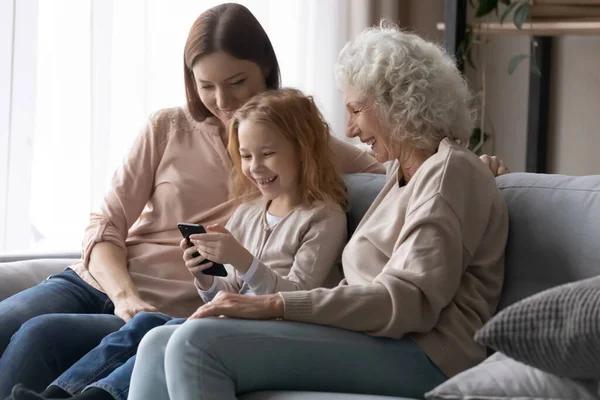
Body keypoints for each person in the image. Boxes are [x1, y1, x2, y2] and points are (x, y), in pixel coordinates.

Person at [0, 2, 508, 397]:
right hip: (106, 282)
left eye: (356, 110)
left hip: (417, 346)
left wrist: (269, 303)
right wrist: (138, 292)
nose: (350, 127)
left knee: (163, 339)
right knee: (134, 336)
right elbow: (107, 221)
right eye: (206, 86)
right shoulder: (404, 172)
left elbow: (407, 300)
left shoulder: (423, 171)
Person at [8, 88, 349, 400]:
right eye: (246, 156)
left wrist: (243, 260)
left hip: (270, 332)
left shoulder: (324, 218)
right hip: (228, 321)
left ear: (303, 150)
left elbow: (298, 298)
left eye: (268, 154)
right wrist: (204, 276)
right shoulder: (249, 212)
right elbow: (226, 291)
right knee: (146, 325)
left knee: (166, 334)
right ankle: (57, 395)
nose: (255, 167)